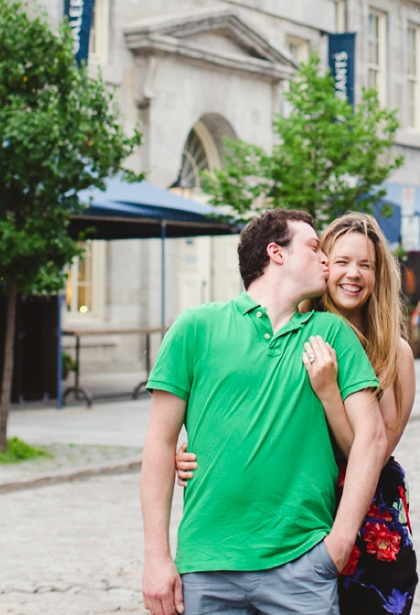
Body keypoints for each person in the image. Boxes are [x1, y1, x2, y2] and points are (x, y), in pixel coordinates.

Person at [141, 208, 386, 615]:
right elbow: (159, 443)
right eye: (313, 248)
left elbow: (372, 437)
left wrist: (339, 543)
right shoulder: (195, 327)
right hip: (207, 564)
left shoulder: (332, 334)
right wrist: (156, 557)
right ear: (277, 253)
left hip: (302, 564)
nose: (326, 259)